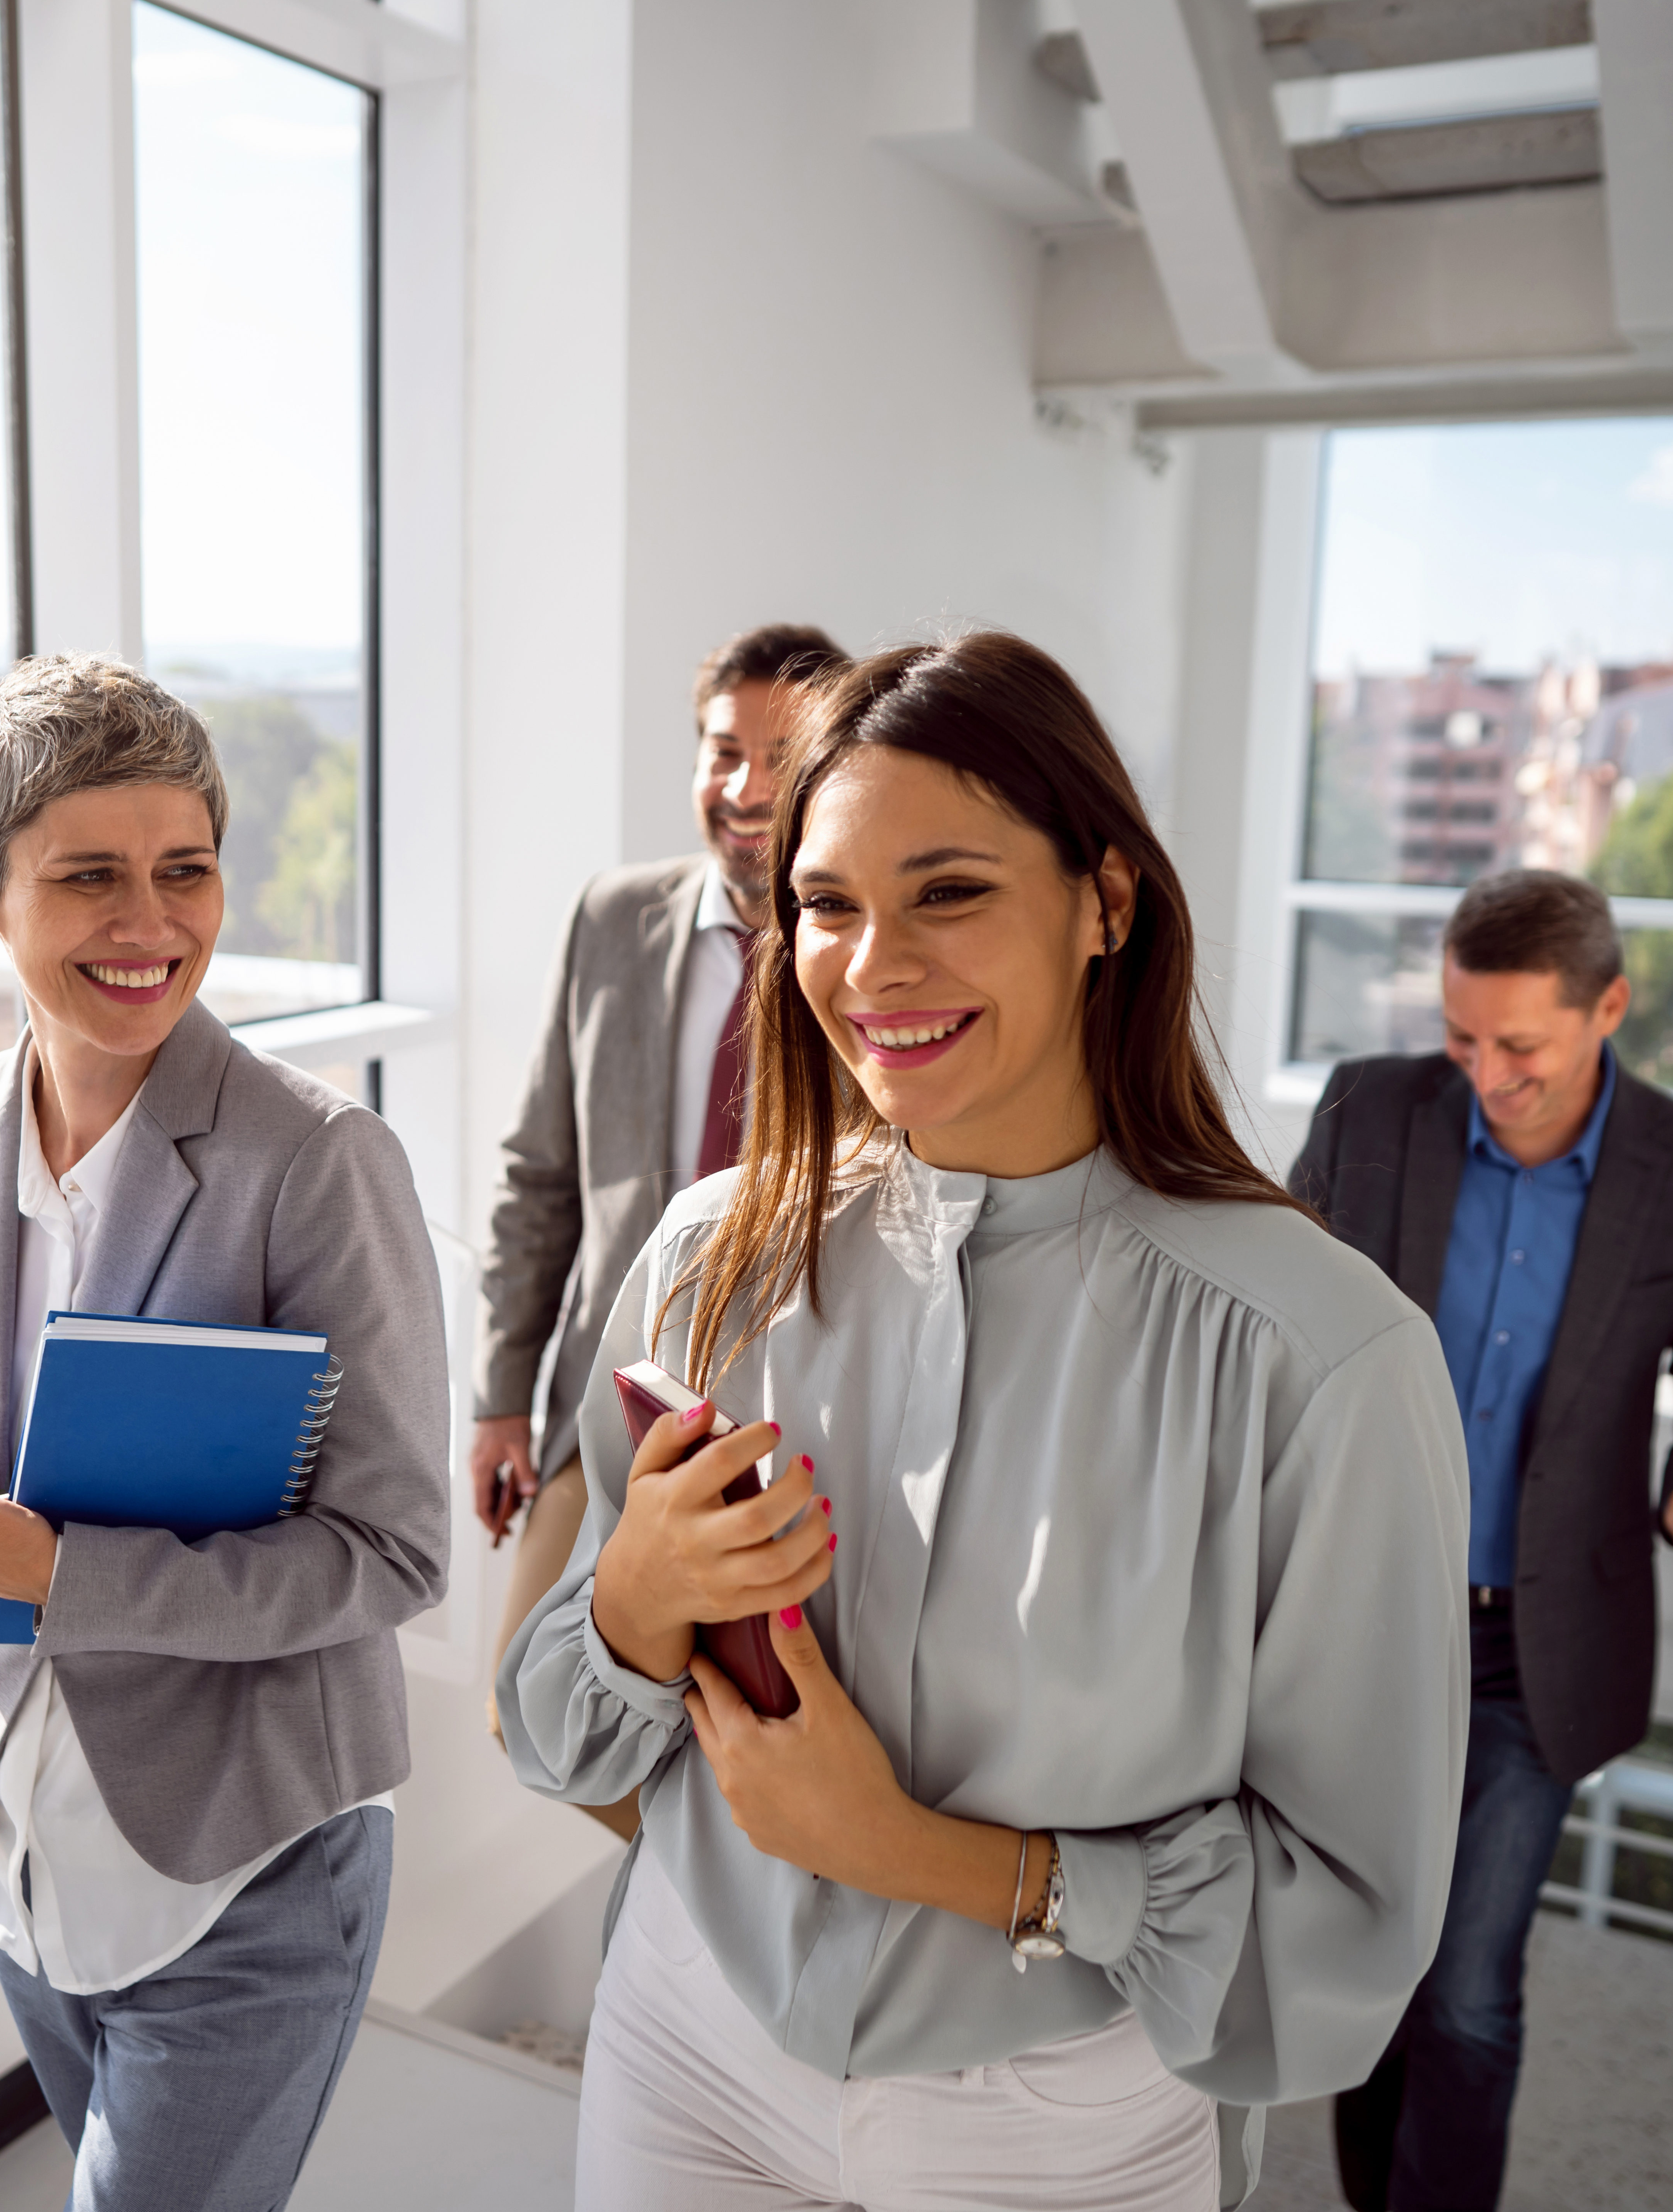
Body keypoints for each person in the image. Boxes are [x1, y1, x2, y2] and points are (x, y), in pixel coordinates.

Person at [500, 632, 1471, 2212]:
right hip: (688, 2034)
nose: (873, 964)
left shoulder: (1321, 1357)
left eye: (948, 891)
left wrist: (938, 1859)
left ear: (1103, 902)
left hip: (1053, 2125)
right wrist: (627, 1602)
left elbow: (1340, 1929)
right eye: (826, 904)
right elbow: (552, 1720)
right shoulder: (707, 1254)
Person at [0, 654, 448, 2212]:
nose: (150, 921)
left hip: (242, 1866)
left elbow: (392, 1552)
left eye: (184, 871)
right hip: (13, 1842)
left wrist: (59, 1567)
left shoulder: (316, 1161)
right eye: (87, 875)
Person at [1289, 868, 1673, 2212]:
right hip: (1359, 1620)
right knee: (1368, 1961)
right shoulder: (1372, 1111)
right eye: (1460, 1036)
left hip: (1535, 1646)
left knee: (1465, 1990)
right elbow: (1268, 1302)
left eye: (1519, 1046)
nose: (1484, 1073)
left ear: (1606, 1007)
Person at [472, 621, 847, 1831]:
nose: (742, 789)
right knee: (523, 1706)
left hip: (796, 1425)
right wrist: (499, 1395)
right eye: (720, 750)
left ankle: (732, 1939)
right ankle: (691, 1909)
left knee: (770, 1722)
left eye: (780, 757)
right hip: (610, 1404)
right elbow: (540, 1174)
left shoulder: (862, 953)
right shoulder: (610, 920)